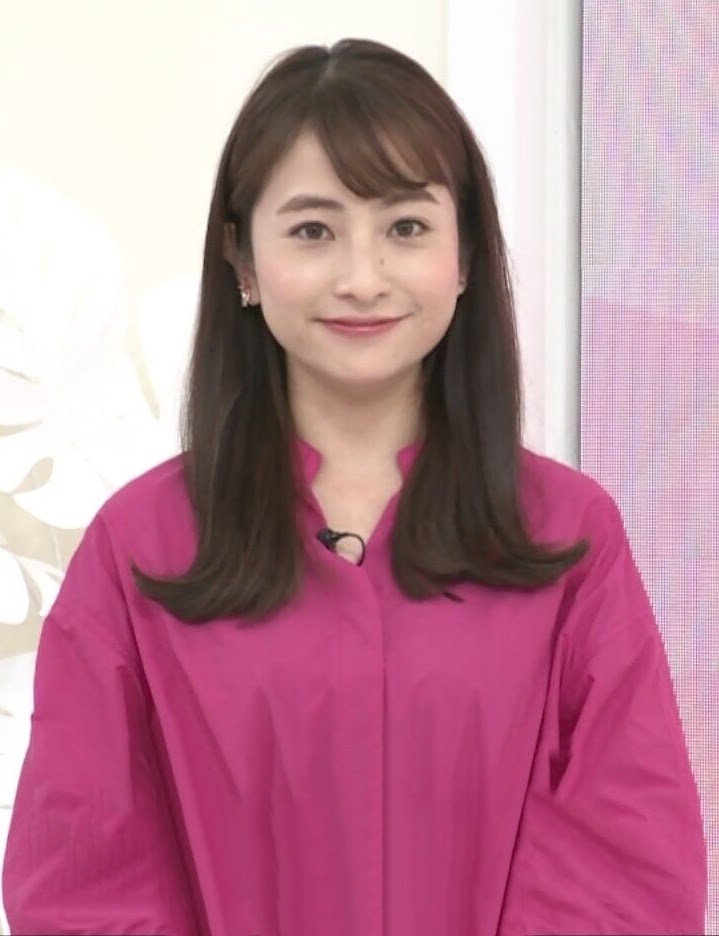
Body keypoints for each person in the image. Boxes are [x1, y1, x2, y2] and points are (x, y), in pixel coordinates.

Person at [1, 38, 707, 936]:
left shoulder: (567, 536)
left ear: (463, 254)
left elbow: (627, 871)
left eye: (405, 227)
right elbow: (82, 883)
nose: (361, 278)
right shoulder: (141, 546)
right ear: (242, 260)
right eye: (312, 230)